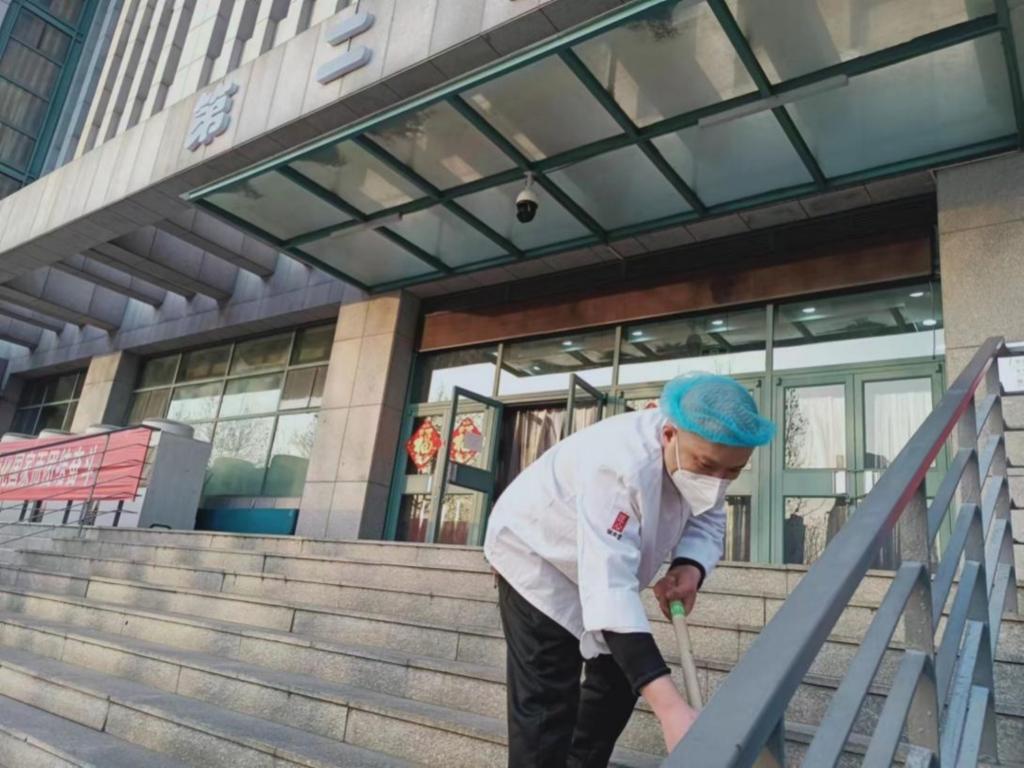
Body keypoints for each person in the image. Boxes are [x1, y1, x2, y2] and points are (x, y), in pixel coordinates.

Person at [484, 373, 775, 767]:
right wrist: (671, 711)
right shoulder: (619, 465)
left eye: (733, 473)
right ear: (669, 435)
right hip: (537, 557)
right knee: (547, 701)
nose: (717, 481)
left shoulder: (707, 459)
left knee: (620, 681)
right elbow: (610, 589)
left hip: (602, 566)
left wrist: (690, 568)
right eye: (707, 466)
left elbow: (708, 514)